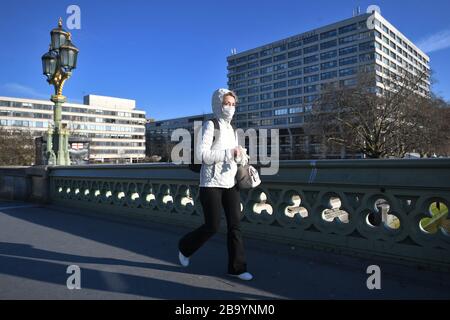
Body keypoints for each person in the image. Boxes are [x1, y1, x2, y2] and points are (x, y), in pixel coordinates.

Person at [177, 88, 253, 281]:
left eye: (233, 104)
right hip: (210, 182)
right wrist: (229, 153)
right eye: (227, 103)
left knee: (235, 226)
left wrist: (241, 157)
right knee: (212, 226)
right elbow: (202, 155)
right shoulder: (210, 125)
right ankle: (185, 247)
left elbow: (233, 156)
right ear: (218, 104)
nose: (230, 108)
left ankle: (237, 268)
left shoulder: (233, 129)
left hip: (230, 182)